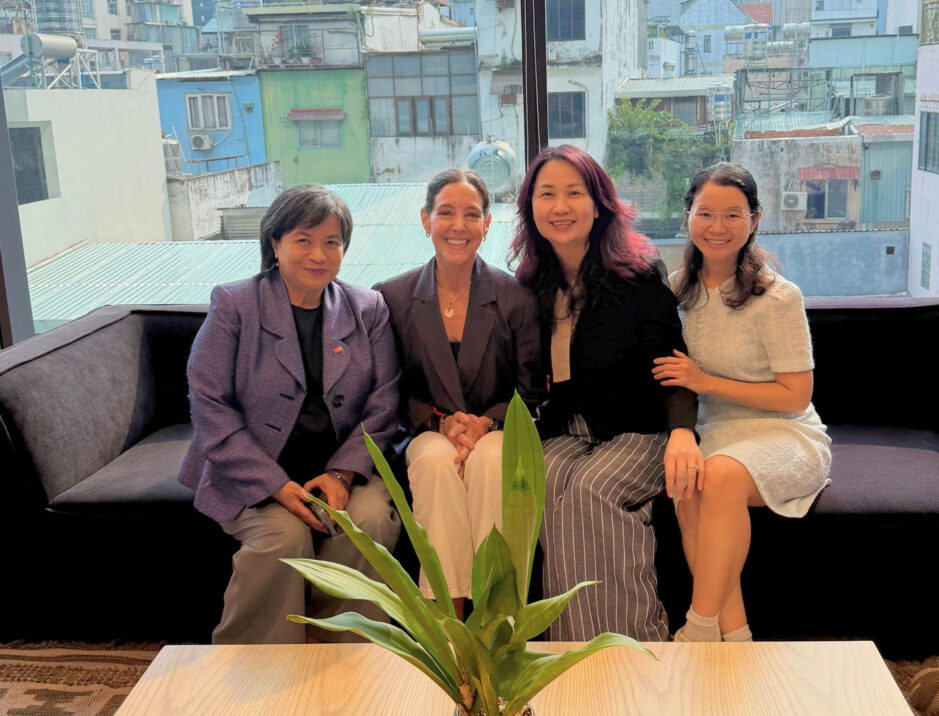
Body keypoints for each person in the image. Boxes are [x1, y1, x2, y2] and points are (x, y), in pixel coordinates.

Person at [179, 184, 402, 644]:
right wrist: (276, 484)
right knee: (285, 537)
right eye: (304, 240)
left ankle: (343, 644)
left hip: (341, 470)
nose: (318, 254)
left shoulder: (368, 309)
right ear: (275, 243)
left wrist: (342, 475)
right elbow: (209, 406)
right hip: (253, 471)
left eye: (332, 242)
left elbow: (384, 404)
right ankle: (255, 659)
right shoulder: (235, 304)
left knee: (371, 522)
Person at [510, 145, 700, 641]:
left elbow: (672, 364)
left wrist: (683, 433)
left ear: (599, 205)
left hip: (640, 425)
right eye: (546, 194)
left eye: (574, 193)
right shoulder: (532, 283)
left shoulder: (637, 274)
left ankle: (635, 640)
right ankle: (568, 645)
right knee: (546, 480)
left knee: (592, 489)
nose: (560, 206)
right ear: (531, 208)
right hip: (570, 427)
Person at [653, 162, 831, 643]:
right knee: (688, 485)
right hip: (715, 432)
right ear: (687, 216)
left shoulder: (777, 297)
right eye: (705, 213)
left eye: (733, 215)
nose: (718, 226)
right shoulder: (675, 290)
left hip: (784, 432)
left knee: (719, 476)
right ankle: (735, 638)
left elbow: (796, 396)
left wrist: (706, 382)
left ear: (754, 221)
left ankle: (698, 627)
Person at [376, 169, 543, 617]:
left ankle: (495, 616)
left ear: (487, 224)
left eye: (471, 214)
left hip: (498, 427)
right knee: (435, 462)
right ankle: (447, 619)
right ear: (425, 219)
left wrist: (485, 423)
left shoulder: (515, 297)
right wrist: (442, 422)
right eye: (445, 212)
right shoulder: (392, 296)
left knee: (491, 460)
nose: (458, 225)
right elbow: (391, 388)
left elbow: (530, 389)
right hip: (428, 428)